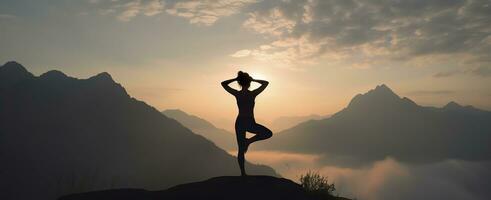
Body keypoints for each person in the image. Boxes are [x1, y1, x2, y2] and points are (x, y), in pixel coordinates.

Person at [221, 71, 273, 176]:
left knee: (241, 150)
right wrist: (253, 79)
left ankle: (243, 173)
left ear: (240, 83)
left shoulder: (237, 94)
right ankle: (248, 141)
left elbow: (223, 84)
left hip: (240, 122)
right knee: (268, 133)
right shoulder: (252, 94)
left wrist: (236, 79)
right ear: (249, 83)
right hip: (249, 122)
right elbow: (265, 83)